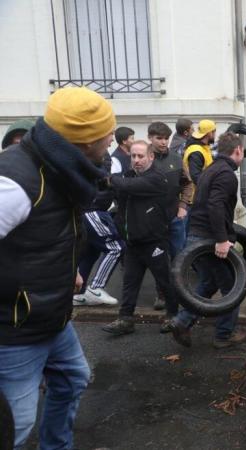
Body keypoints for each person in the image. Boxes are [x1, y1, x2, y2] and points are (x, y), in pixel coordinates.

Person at [0, 86, 115, 449]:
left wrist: (70, 272)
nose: (112, 140)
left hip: (52, 315)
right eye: (107, 135)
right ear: (84, 143)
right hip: (14, 330)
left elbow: (48, 235)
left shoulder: (63, 166)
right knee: (14, 428)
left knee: (73, 379)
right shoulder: (14, 182)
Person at [171, 133, 246, 349]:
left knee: (209, 282)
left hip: (197, 235)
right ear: (238, 151)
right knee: (232, 287)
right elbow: (215, 205)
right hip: (209, 238)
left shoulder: (211, 169)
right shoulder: (226, 174)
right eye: (242, 153)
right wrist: (222, 239)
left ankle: (182, 321)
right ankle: (224, 334)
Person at [102, 141, 180, 335]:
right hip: (133, 242)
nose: (136, 160)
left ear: (151, 157)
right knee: (129, 283)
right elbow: (115, 190)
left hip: (154, 241)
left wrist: (108, 179)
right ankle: (125, 319)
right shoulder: (128, 176)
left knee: (165, 281)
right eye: (133, 156)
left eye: (140, 156)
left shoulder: (156, 178)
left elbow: (128, 185)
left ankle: (173, 316)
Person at [149, 121, 194, 313]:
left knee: (179, 256)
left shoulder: (176, 158)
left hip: (175, 217)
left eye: (166, 138)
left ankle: (181, 293)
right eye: (159, 138)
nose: (163, 142)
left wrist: (183, 206)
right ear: (150, 138)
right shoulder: (144, 159)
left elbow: (188, 184)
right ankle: (161, 294)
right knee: (159, 258)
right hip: (152, 220)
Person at [73, 149, 124, 306]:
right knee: (116, 247)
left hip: (93, 208)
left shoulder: (99, 152)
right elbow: (104, 179)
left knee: (90, 252)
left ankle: (78, 293)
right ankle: (95, 288)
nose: (110, 139)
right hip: (93, 210)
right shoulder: (95, 152)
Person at [183, 119, 216, 185]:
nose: (215, 135)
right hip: (198, 193)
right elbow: (196, 178)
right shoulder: (196, 152)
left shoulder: (204, 147)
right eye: (214, 132)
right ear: (209, 133)